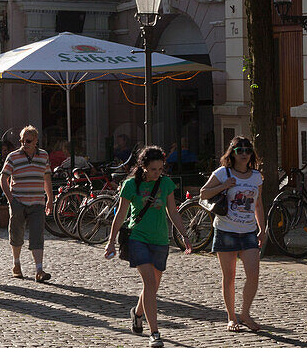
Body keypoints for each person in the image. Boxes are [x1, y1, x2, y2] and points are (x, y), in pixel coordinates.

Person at [105, 146, 191, 348]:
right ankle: (155, 332)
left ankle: (137, 313)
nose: (157, 173)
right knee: (150, 284)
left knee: (152, 287)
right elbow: (121, 215)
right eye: (153, 169)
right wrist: (110, 240)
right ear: (143, 167)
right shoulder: (130, 185)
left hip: (160, 240)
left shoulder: (166, 183)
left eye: (160, 169)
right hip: (138, 238)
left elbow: (173, 211)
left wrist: (184, 234)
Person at [199, 136, 266, 334]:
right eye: (240, 150)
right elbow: (203, 193)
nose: (244, 153)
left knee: (253, 275)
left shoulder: (256, 176)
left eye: (247, 150)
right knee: (229, 277)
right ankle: (231, 316)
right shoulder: (223, 172)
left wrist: (262, 229)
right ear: (233, 153)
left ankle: (245, 314)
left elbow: (259, 204)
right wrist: (224, 185)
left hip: (249, 232)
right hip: (226, 230)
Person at [0, 124, 54, 282]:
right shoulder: (13, 156)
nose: (25, 143)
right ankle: (16, 264)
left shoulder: (43, 156)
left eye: (28, 140)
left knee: (37, 236)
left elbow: (47, 178)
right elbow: (3, 178)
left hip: (37, 202)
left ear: (36, 140)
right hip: (19, 201)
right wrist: (11, 200)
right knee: (16, 235)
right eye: (22, 140)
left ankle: (39, 270)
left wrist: (50, 199)